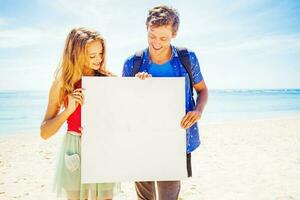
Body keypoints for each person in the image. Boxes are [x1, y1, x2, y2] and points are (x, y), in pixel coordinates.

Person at [122, 5, 208, 200]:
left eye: (163, 38)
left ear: (174, 34)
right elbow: (124, 105)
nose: (157, 43)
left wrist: (198, 111)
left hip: (175, 139)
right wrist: (136, 87)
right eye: (152, 36)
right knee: (145, 197)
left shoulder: (187, 58)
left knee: (169, 196)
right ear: (146, 29)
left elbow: (202, 90)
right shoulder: (132, 63)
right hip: (141, 139)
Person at [40, 27, 120, 200]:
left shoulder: (109, 80)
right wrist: (68, 111)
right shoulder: (62, 84)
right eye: (92, 56)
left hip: (102, 145)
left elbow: (122, 121)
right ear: (75, 54)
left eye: (101, 53)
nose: (98, 59)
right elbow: (44, 133)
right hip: (74, 146)